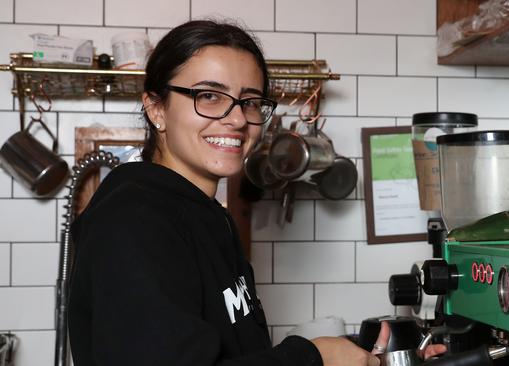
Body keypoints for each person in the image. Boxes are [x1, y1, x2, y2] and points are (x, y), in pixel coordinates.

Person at [68, 20, 446, 366]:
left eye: (249, 101)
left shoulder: (207, 213)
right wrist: (312, 358)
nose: (236, 119)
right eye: (209, 96)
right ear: (156, 108)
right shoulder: (133, 221)